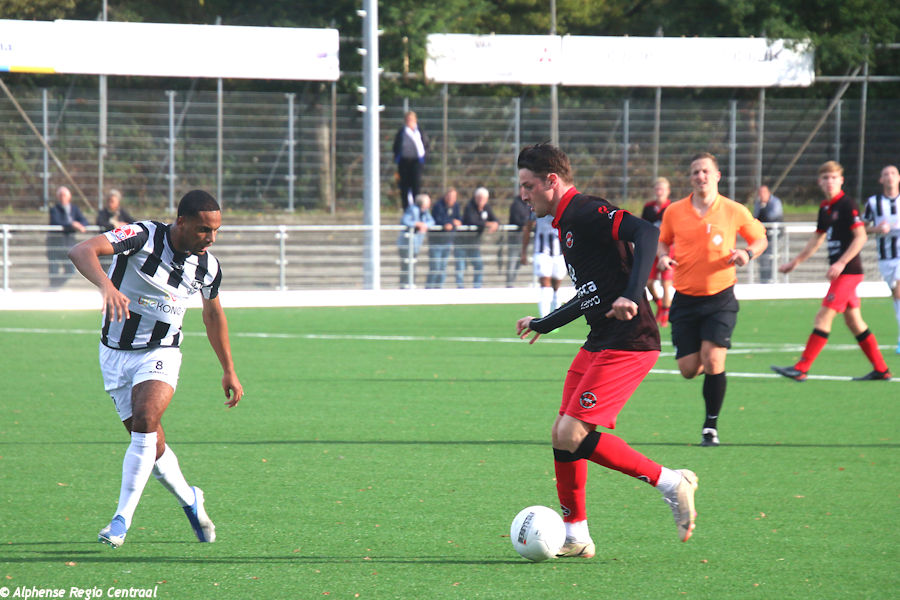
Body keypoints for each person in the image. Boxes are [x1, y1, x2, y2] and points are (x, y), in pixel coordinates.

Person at [515, 142, 698, 558]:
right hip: (601, 338)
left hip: (630, 340)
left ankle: (673, 482)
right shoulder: (566, 223)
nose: (523, 195)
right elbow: (590, 292)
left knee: (572, 434)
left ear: (551, 181)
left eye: (528, 186)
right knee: (562, 435)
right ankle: (576, 535)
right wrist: (545, 322)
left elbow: (646, 233)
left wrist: (632, 294)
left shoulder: (585, 210)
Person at [67, 189, 244, 548]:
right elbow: (81, 250)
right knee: (150, 441)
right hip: (114, 354)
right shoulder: (142, 235)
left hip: (161, 351)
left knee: (146, 420)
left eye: (216, 230)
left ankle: (121, 520)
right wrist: (106, 288)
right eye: (203, 229)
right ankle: (190, 499)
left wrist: (229, 368)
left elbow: (213, 315)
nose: (210, 238)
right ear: (181, 222)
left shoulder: (208, 267)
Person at [657, 152, 768, 447]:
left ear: (717, 176)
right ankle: (703, 358)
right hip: (685, 299)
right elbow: (662, 241)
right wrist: (663, 258)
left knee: (714, 358)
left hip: (720, 298)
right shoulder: (674, 211)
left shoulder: (733, 210)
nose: (700, 176)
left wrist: (747, 253)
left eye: (705, 171)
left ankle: (710, 427)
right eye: (695, 172)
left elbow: (760, 238)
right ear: (690, 178)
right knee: (688, 369)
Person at [772, 161, 891, 381]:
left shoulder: (847, 204)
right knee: (854, 322)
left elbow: (861, 237)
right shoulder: (825, 207)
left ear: (841, 180)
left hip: (849, 272)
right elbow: (817, 239)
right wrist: (795, 262)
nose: (830, 182)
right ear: (820, 181)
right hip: (842, 272)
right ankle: (881, 369)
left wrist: (841, 263)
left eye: (834, 177)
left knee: (823, 316)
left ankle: (801, 368)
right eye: (826, 178)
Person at [863, 165, 900, 355]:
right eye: (886, 174)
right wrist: (877, 229)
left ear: (899, 178)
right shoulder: (873, 202)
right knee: (897, 297)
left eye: (893, 173)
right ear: (881, 180)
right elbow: (861, 228)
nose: (890, 177)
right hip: (886, 257)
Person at [520, 212, 567, 317]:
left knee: (556, 285)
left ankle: (556, 317)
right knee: (545, 282)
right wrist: (523, 252)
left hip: (559, 253)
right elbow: (528, 228)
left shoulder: (561, 208)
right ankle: (544, 317)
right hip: (542, 252)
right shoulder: (537, 209)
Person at [641, 177, 674, 325]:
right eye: (657, 189)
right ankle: (659, 304)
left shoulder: (672, 208)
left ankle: (665, 315)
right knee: (648, 282)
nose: (659, 191)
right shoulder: (649, 208)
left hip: (667, 249)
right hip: (651, 248)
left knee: (666, 283)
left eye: (662, 189)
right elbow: (643, 227)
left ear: (668, 191)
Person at [47, 185, 89, 287]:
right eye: (60, 195)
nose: (62, 197)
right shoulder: (54, 209)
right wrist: (72, 225)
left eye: (64, 195)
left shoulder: (74, 209)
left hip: (69, 244)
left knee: (70, 270)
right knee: (54, 272)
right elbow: (56, 222)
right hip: (55, 245)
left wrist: (80, 225)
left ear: (69, 197)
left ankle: (54, 287)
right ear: (58, 197)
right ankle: (53, 288)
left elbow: (84, 221)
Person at [457, 187, 499, 288]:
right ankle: (460, 289)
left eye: (483, 199)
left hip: (474, 243)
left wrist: (496, 224)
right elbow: (472, 221)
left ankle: (477, 288)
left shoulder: (487, 207)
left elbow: (495, 219)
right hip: (461, 243)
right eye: (479, 198)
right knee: (461, 268)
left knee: (478, 265)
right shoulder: (469, 207)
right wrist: (488, 224)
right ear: (475, 197)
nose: (481, 200)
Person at [397, 193, 435, 288]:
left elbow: (432, 221)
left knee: (413, 266)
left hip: (415, 245)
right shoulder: (412, 209)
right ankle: (404, 286)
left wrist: (425, 225)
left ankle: (411, 285)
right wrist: (417, 224)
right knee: (406, 266)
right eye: (428, 202)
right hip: (406, 244)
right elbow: (405, 220)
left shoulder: (425, 211)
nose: (429, 204)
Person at [427, 187, 463, 289]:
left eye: (454, 197)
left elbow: (458, 219)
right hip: (436, 242)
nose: (452, 199)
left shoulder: (456, 206)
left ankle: (439, 289)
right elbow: (438, 220)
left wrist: (456, 222)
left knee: (443, 268)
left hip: (448, 241)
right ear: (445, 196)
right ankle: (428, 290)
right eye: (450, 196)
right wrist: (450, 223)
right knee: (435, 268)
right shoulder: (438, 206)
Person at [392, 111, 429, 211]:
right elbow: (396, 146)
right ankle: (406, 210)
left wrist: (424, 159)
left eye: (411, 120)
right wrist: (397, 158)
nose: (409, 122)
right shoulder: (402, 132)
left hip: (416, 163)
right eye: (408, 120)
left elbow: (425, 146)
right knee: (404, 188)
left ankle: (417, 210)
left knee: (416, 187)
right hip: (404, 163)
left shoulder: (420, 132)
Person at [753, 184, 784, 283]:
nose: (761, 195)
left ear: (768, 193)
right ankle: (764, 280)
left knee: (771, 258)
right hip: (762, 236)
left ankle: (771, 279)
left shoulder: (775, 202)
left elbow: (772, 217)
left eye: (763, 192)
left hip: (774, 236)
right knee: (763, 260)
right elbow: (755, 217)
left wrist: (763, 208)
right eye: (760, 193)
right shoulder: (758, 203)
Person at [506, 195, 532, 286]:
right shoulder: (516, 204)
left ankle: (512, 282)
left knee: (518, 263)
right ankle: (509, 284)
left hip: (525, 238)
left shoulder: (529, 203)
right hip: (515, 239)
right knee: (512, 261)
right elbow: (516, 220)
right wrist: (526, 224)